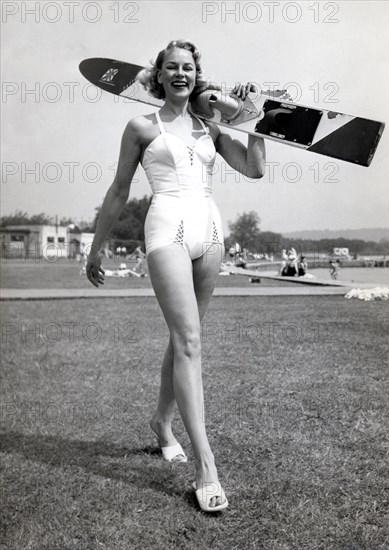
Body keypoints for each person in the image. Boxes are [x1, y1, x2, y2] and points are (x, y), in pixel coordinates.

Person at [86, 39, 265, 512]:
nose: (180, 73)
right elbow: (119, 189)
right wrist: (96, 246)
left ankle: (161, 424)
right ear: (158, 76)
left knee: (185, 337)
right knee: (188, 341)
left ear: (196, 75)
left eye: (188, 67)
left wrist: (254, 121)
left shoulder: (212, 127)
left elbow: (254, 169)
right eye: (172, 67)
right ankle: (206, 466)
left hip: (210, 233)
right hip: (166, 230)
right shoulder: (141, 126)